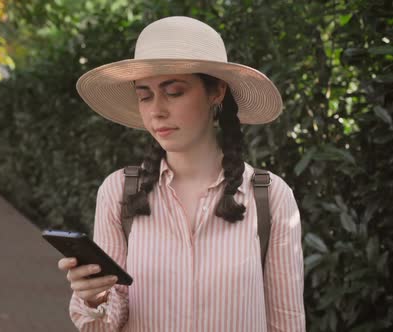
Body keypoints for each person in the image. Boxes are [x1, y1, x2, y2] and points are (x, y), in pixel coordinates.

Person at [58, 16, 305, 331]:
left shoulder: (270, 196)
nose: (156, 109)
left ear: (216, 91)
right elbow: (105, 325)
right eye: (144, 95)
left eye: (173, 91)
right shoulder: (119, 192)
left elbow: (287, 323)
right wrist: (95, 298)